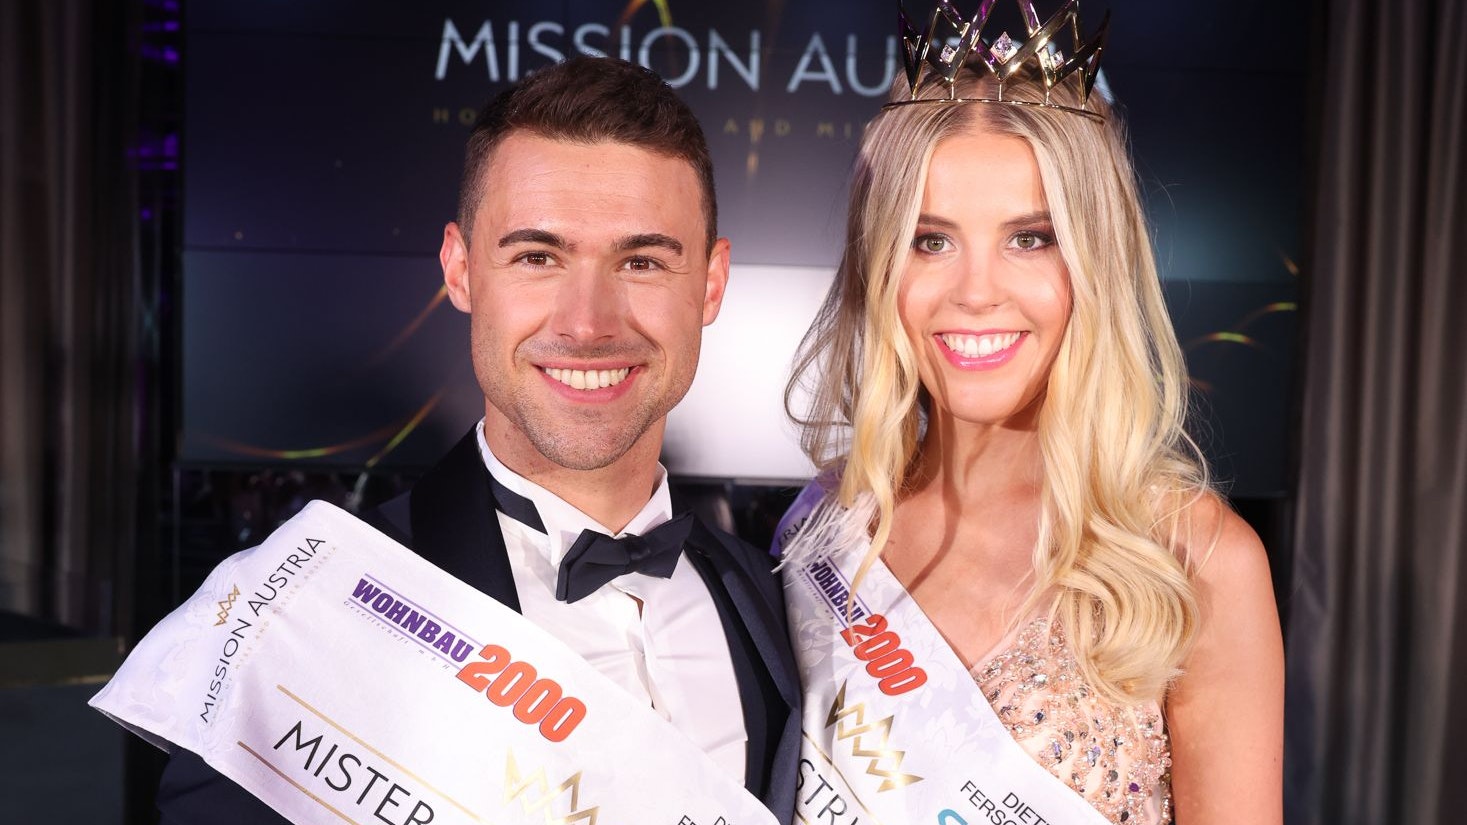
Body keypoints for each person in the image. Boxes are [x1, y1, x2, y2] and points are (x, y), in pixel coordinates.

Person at [152, 56, 799, 823]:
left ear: (711, 282)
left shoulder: (777, 602)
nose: (587, 322)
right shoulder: (299, 619)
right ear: (459, 270)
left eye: (641, 261)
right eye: (537, 256)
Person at [776, 19, 1283, 825]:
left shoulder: (1196, 561)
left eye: (1029, 239)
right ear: (879, 264)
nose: (976, 291)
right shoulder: (826, 529)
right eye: (930, 240)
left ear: (1095, 261)